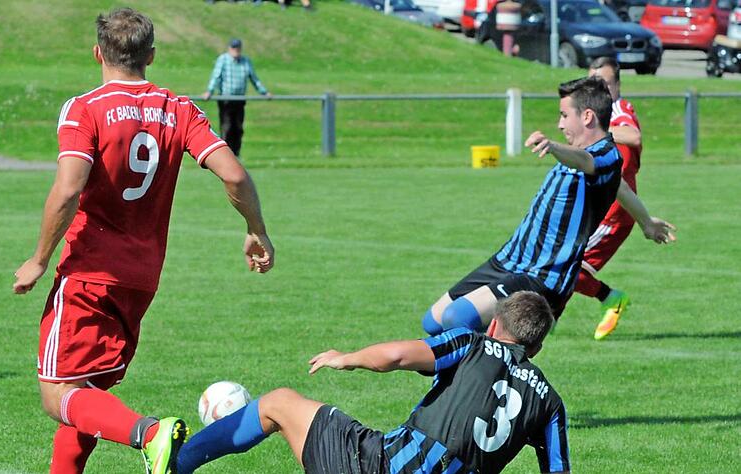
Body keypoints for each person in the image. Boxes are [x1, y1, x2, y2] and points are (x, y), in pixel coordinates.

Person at [12, 8, 274, 474]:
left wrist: (38, 258)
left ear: (98, 53)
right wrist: (256, 229)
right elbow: (233, 173)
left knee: (59, 396)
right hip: (143, 277)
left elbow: (69, 188)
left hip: (89, 271)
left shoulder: (85, 108)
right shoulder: (179, 109)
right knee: (87, 389)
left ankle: (150, 434)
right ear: (150, 55)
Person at [176, 291, 569, 474]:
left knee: (278, 403)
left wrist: (347, 359)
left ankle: (176, 463)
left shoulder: (471, 343)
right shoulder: (550, 403)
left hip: (379, 466)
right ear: (535, 348)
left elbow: (398, 355)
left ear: (495, 324)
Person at [421, 76, 675, 337]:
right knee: (433, 322)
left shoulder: (606, 154)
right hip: (510, 259)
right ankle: (475, 366)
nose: (560, 123)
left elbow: (586, 162)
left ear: (587, 116)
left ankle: (488, 369)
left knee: (457, 318)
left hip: (543, 274)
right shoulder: (590, 159)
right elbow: (621, 188)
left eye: (564, 115)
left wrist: (554, 146)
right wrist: (646, 222)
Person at [573, 57, 644, 340]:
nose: (599, 89)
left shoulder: (619, 109)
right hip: (597, 205)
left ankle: (610, 298)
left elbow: (633, 136)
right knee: (562, 265)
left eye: (605, 83)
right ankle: (545, 313)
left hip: (615, 210)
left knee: (566, 265)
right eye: (594, 83)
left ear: (617, 85)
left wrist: (600, 134)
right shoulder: (595, 114)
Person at [201, 39, 272, 158]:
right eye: (234, 48)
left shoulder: (245, 61)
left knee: (238, 128)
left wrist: (264, 93)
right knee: (227, 127)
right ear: (229, 48)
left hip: (239, 100)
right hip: (226, 100)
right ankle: (225, 155)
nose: (236, 50)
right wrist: (210, 91)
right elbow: (216, 77)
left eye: (238, 48)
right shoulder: (223, 60)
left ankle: (236, 155)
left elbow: (254, 79)